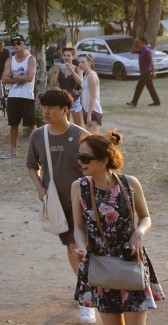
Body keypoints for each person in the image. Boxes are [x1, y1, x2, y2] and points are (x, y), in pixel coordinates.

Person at [71, 131, 164, 323]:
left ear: (104, 160)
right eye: (79, 156)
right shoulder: (78, 187)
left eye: (85, 157)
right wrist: (80, 246)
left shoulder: (130, 184)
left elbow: (146, 217)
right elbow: (78, 227)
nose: (80, 162)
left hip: (131, 261)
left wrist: (139, 233)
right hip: (101, 267)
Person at [25, 89, 90, 322]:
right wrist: (39, 188)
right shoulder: (37, 136)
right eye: (44, 107)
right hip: (57, 203)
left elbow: (94, 169)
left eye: (52, 107)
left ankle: (87, 295)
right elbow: (31, 165)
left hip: (82, 201)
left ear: (66, 110)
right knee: (73, 245)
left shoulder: (82, 136)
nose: (46, 111)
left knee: (77, 244)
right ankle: (87, 289)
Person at [0, 34, 36, 159]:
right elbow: (4, 78)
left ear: (24, 44)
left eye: (19, 43)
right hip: (13, 97)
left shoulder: (30, 60)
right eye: (14, 44)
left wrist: (13, 77)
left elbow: (30, 77)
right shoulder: (10, 60)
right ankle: (13, 151)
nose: (16, 46)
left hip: (27, 97)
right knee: (13, 124)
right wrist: (20, 78)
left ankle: (36, 152)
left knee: (31, 125)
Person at [50, 47, 84, 127]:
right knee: (64, 125)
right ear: (62, 57)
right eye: (64, 55)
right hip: (63, 100)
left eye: (68, 55)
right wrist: (55, 72)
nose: (66, 57)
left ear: (73, 56)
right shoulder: (59, 69)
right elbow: (52, 84)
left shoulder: (77, 69)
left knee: (78, 126)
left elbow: (81, 82)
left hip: (75, 100)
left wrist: (72, 71)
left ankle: (79, 139)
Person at [127, 36, 161, 107]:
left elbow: (151, 63)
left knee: (139, 87)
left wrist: (154, 73)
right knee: (150, 88)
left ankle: (134, 102)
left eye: (139, 42)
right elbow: (132, 51)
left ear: (143, 42)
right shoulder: (141, 50)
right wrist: (134, 42)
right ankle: (157, 101)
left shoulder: (147, 51)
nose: (138, 43)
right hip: (144, 72)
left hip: (146, 73)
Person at [78, 55, 103, 134]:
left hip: (93, 111)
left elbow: (93, 96)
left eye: (83, 62)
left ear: (89, 62)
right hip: (87, 110)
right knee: (95, 138)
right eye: (79, 62)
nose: (80, 64)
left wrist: (89, 115)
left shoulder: (92, 76)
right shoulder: (86, 75)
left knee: (89, 138)